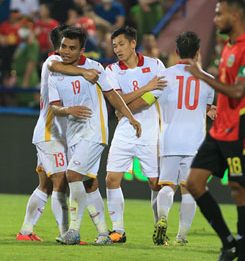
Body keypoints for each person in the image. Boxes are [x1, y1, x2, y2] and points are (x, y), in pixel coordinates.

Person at [184, 0, 245, 261]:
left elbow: (239, 91)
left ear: (235, 16)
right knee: (194, 182)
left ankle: (244, 256)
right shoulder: (228, 46)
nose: (215, 18)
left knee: (239, 191)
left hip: (241, 132)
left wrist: (202, 75)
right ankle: (229, 243)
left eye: (219, 14)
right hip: (220, 130)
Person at [49, 27, 141, 245]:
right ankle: (102, 233)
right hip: (73, 134)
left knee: (72, 175)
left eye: (72, 48)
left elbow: (113, 96)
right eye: (63, 46)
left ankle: (73, 231)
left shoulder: (95, 68)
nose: (66, 51)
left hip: (94, 131)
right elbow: (54, 107)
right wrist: (68, 111)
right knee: (89, 183)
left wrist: (130, 117)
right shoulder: (55, 71)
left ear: (82, 50)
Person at [16, 24, 101, 242]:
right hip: (50, 132)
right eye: (65, 45)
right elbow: (64, 70)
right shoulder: (52, 64)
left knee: (45, 185)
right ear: (59, 46)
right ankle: (66, 233)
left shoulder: (62, 64)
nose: (68, 51)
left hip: (55, 133)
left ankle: (26, 231)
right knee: (61, 182)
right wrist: (84, 70)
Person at [148, 31, 215, 246]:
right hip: (195, 142)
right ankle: (181, 236)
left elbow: (151, 101)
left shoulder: (163, 77)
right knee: (190, 190)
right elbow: (204, 109)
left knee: (167, 185)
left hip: (169, 139)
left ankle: (163, 218)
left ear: (176, 52)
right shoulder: (209, 80)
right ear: (197, 53)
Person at [104, 26, 166, 243]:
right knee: (112, 179)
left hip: (150, 132)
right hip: (124, 132)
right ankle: (118, 231)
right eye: (114, 46)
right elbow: (116, 101)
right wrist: (145, 88)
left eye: (121, 44)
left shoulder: (155, 64)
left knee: (155, 183)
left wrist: (124, 106)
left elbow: (154, 96)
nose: (117, 49)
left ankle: (160, 228)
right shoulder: (112, 70)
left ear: (132, 43)